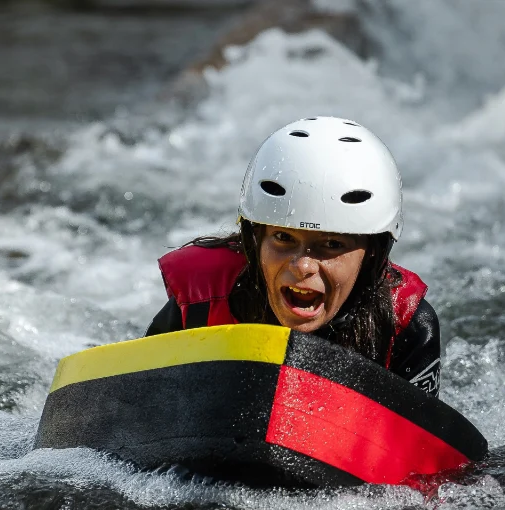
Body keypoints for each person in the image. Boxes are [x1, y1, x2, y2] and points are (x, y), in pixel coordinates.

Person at [145, 116, 441, 397]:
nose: (303, 266)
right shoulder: (197, 305)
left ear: (373, 254)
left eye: (332, 244)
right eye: (284, 238)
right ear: (254, 240)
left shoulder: (405, 325)